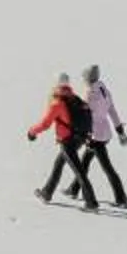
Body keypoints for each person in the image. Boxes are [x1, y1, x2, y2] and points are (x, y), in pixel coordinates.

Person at [27, 72, 98, 210]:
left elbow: (45, 124)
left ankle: (91, 202)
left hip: (67, 142)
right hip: (80, 139)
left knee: (78, 171)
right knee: (58, 164)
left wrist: (31, 132)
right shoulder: (75, 98)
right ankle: (46, 193)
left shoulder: (57, 103)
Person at [79, 64, 127, 209]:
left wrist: (85, 135)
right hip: (105, 132)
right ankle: (74, 189)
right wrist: (120, 131)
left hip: (96, 136)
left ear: (88, 78)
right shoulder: (104, 90)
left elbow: (86, 117)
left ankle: (121, 198)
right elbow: (112, 111)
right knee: (84, 162)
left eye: (84, 77)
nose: (83, 80)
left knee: (107, 168)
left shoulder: (90, 94)